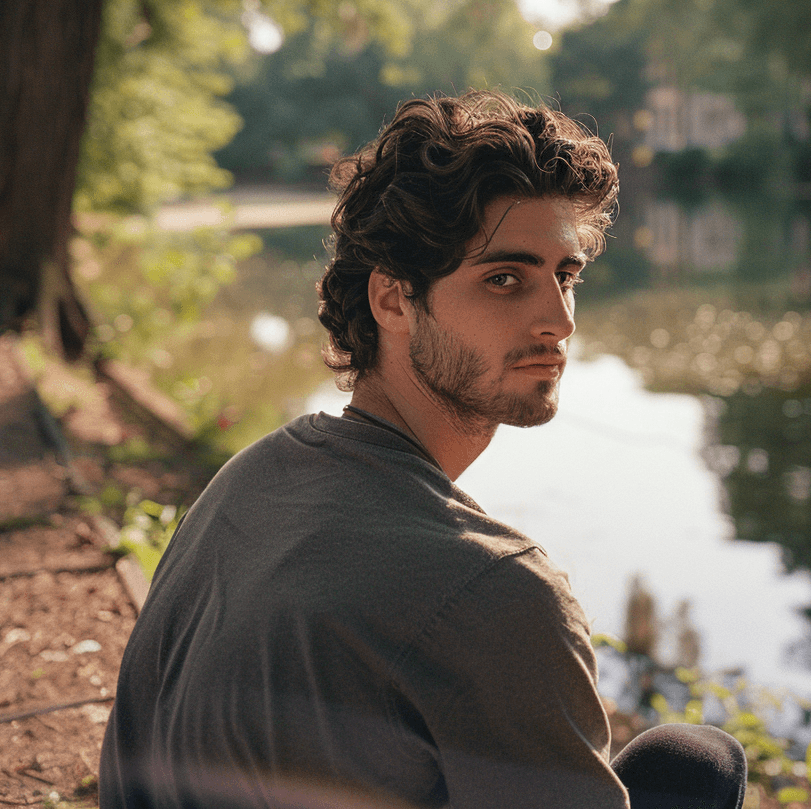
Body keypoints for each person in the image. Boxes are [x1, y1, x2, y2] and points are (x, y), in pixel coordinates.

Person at [99, 91, 747, 809]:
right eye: (506, 279)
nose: (558, 321)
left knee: (676, 763)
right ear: (393, 301)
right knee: (699, 767)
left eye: (565, 276)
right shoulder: (498, 593)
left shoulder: (249, 478)